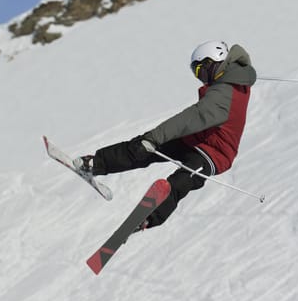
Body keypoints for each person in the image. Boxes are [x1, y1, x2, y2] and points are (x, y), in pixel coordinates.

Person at [73, 41, 257, 231]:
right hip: (196, 139)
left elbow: (191, 117)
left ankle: (148, 218)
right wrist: (149, 141)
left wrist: (153, 138)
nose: (200, 77)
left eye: (201, 70)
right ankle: (96, 163)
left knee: (182, 180)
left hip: (214, 154)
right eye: (196, 73)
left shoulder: (224, 94)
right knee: (142, 148)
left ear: (215, 62)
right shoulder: (234, 78)